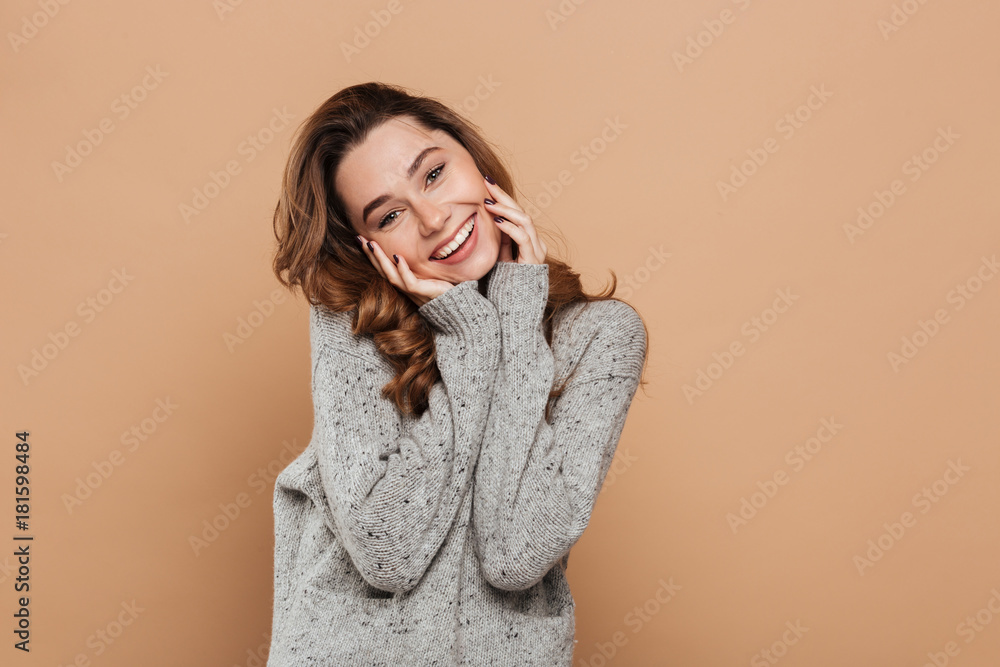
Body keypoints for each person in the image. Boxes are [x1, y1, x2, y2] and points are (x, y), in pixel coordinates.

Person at [267, 81, 649, 666]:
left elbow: (515, 553)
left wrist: (515, 324)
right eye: (390, 214)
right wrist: (469, 340)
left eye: (434, 174)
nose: (433, 218)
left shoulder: (600, 337)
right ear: (368, 246)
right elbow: (385, 552)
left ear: (473, 157)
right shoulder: (353, 325)